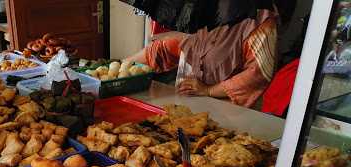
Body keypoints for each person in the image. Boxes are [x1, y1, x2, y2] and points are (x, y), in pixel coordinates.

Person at [126, 1, 295, 108]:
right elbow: (168, 47)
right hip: (195, 105)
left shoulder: (259, 21)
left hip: (237, 115)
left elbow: (258, 74)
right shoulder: (204, 10)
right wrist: (122, 66)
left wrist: (208, 90)